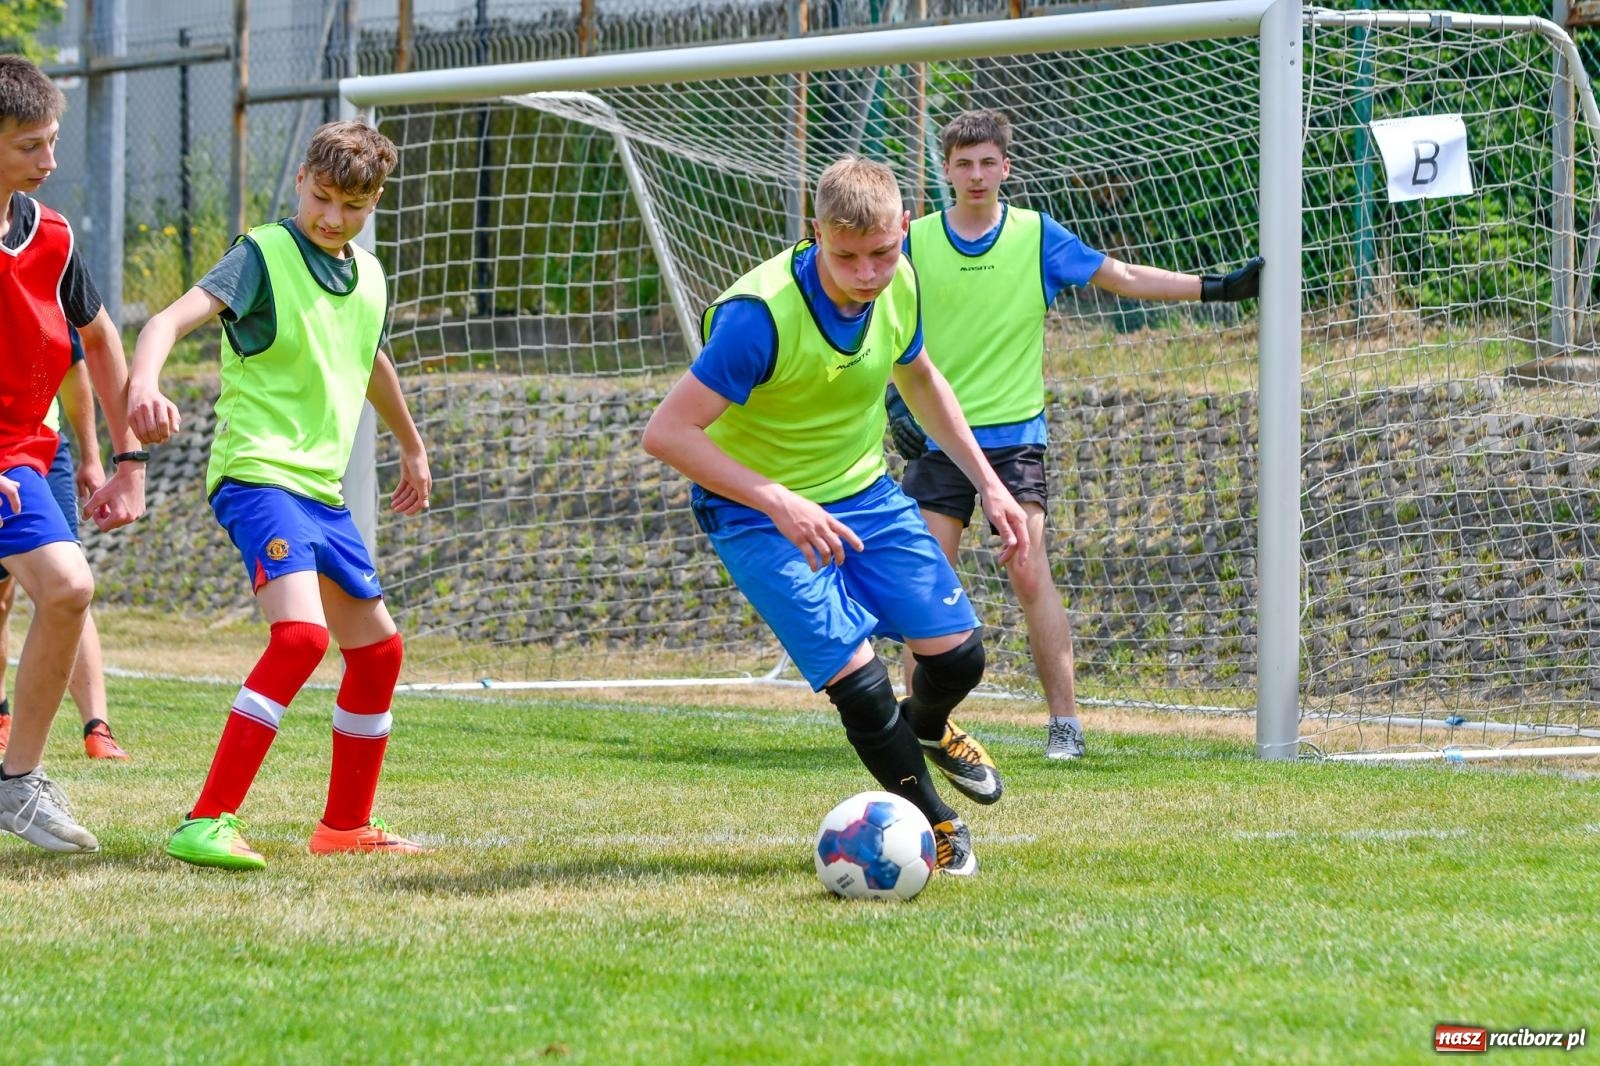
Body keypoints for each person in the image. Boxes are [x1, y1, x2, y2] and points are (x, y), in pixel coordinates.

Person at [643, 157, 1031, 876]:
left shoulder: (901, 281)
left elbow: (918, 375)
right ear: (814, 231)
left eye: (882, 254)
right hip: (754, 512)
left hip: (865, 495)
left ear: (903, 226)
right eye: (845, 256)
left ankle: (931, 729)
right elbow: (667, 433)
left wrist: (990, 484)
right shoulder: (755, 319)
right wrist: (778, 500)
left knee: (960, 656)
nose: (867, 273)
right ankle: (935, 826)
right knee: (860, 682)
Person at [887, 109, 1263, 761]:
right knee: (923, 582)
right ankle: (921, 726)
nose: (976, 175)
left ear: (1006, 168)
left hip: (1014, 441)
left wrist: (1215, 289)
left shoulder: (1036, 236)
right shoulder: (913, 243)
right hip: (941, 441)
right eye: (963, 163)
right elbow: (874, 318)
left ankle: (1065, 725)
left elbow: (1121, 276)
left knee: (1031, 572)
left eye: (987, 163)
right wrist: (891, 401)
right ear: (945, 170)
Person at [113, 119, 432, 871]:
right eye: (321, 198)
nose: (332, 218)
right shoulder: (263, 254)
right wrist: (145, 383)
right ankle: (206, 819)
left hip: (321, 495)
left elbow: (371, 360)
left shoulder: (372, 277)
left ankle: (344, 826)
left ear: (375, 200)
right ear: (299, 181)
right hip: (258, 475)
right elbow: (166, 320)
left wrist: (412, 444)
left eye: (353, 206)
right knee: (300, 637)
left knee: (380, 652)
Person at [0, 55, 147, 854]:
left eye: (52, 142)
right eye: (31, 146)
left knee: (66, 591)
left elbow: (98, 338)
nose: (49, 162)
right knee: (65, 589)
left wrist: (127, 459)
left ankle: (17, 783)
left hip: (26, 455)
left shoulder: (50, 237)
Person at [0, 329, 129, 762]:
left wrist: (93, 456)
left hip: (44, 446)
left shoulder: (51, 271)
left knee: (69, 584)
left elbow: (78, 362)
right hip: (5, 449)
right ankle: (3, 718)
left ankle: (97, 727)